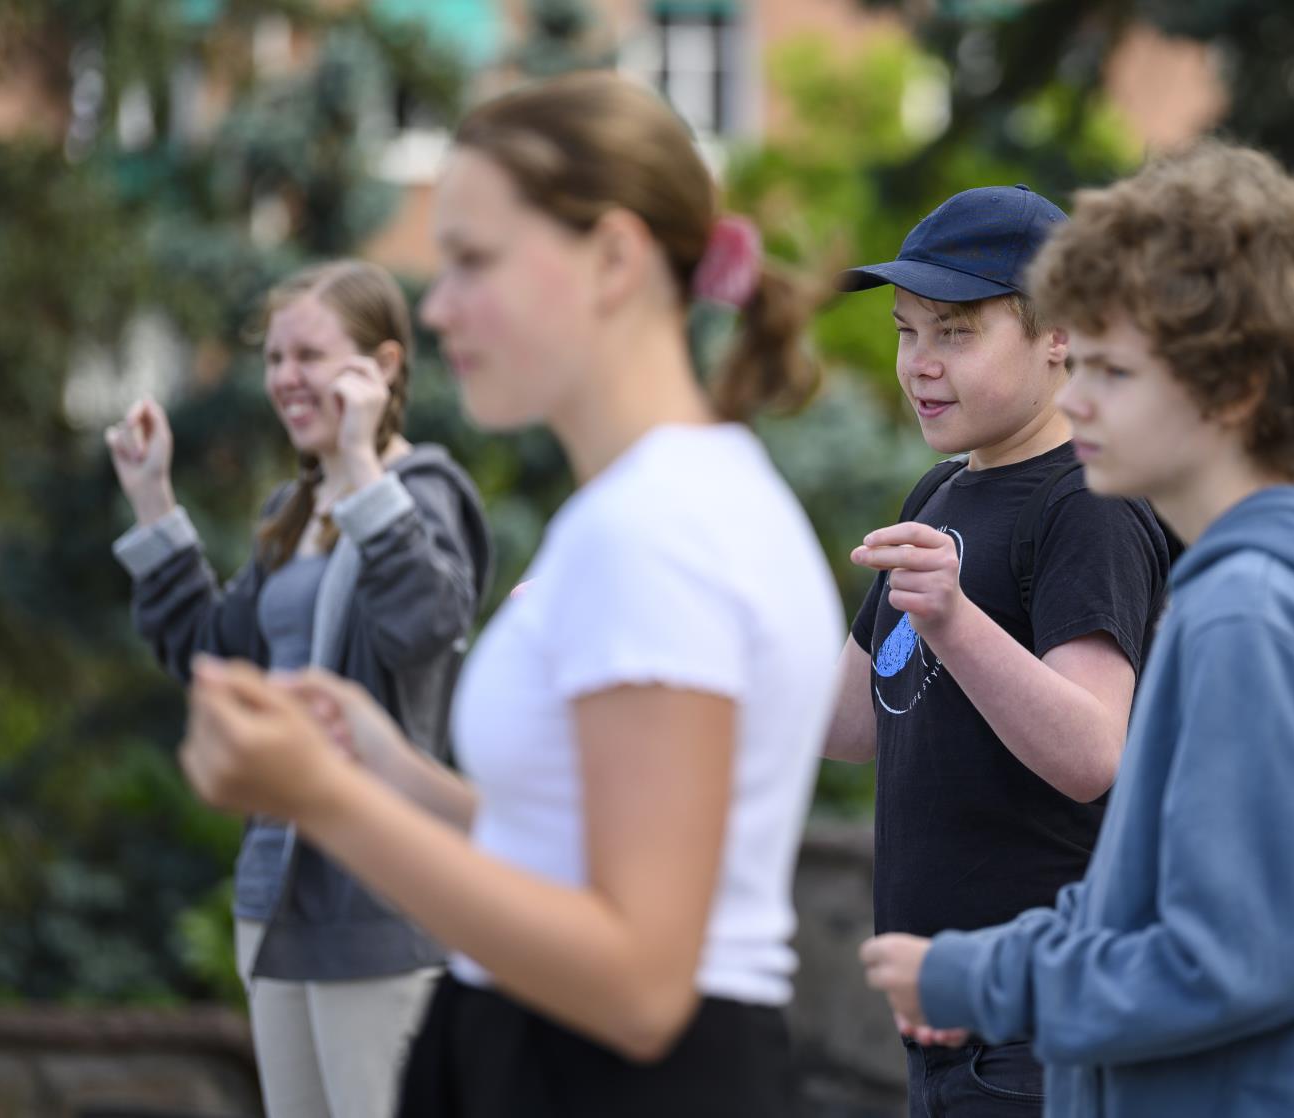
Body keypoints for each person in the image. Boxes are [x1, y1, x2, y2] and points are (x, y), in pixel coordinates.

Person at [169, 71, 843, 1117]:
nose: (437, 308)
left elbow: (640, 983)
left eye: (472, 259)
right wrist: (390, 767)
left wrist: (326, 799)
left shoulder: (656, 529)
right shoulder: (659, 501)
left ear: (613, 258)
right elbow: (575, 841)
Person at [859, 140, 1294, 1118]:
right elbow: (1165, 905)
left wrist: (987, 979)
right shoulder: (1248, 593)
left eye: (1112, 368)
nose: (1082, 397)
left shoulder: (1248, 618)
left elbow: (1233, 961)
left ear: (1225, 392)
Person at [107, 258, 492, 1118]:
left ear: (382, 366)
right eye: (274, 357)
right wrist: (152, 500)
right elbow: (210, 653)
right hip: (275, 896)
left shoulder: (424, 494)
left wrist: (360, 466)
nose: (284, 378)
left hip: (378, 900)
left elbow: (421, 628)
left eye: (309, 355)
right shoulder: (295, 510)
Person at [823, 185, 1171, 1112]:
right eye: (907, 332)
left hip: (1043, 1038)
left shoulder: (1090, 503)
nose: (919, 366)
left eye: (955, 332)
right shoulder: (937, 494)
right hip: (948, 1032)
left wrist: (955, 619)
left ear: (1058, 332)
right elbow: (849, 720)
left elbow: (1094, 750)